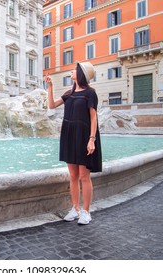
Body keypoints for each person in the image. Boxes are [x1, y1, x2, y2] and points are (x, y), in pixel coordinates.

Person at [45, 61, 102, 225]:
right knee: (73, 176)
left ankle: (86, 211)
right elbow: (52, 105)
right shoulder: (69, 93)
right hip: (69, 135)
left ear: (81, 74)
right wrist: (50, 87)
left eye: (74, 70)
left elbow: (93, 117)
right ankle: (75, 209)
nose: (72, 71)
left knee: (84, 176)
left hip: (84, 135)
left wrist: (92, 140)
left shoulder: (90, 93)